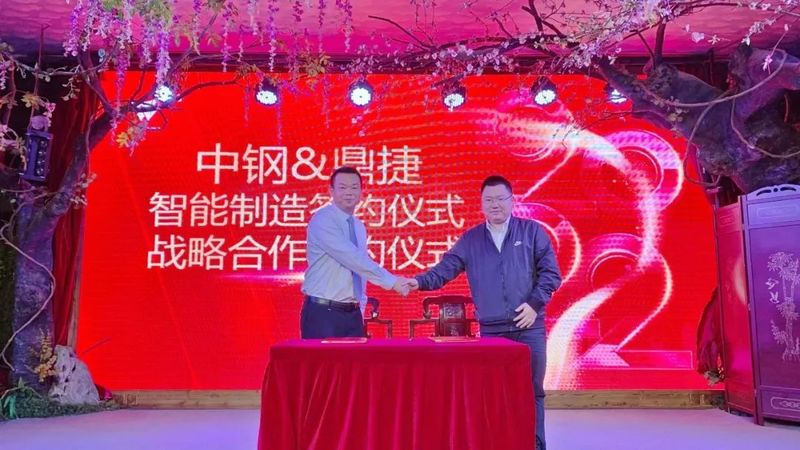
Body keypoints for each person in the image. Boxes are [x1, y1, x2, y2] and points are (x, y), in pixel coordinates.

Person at [406, 175, 562, 450]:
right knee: (493, 397)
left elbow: (551, 274)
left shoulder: (532, 232)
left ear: (512, 201)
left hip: (530, 327)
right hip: (492, 331)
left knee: (532, 393)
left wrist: (534, 304)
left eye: (500, 199)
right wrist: (417, 282)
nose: (495, 204)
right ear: (481, 204)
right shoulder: (471, 240)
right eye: (489, 200)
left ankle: (535, 446)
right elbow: (444, 270)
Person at [300, 166, 413, 339]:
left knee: (354, 358)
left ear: (361, 192)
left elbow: (360, 271)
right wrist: (392, 282)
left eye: (354, 187)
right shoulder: (323, 219)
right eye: (342, 187)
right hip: (323, 313)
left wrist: (360, 307)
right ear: (331, 191)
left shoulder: (358, 226)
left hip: (352, 315)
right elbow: (352, 258)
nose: (349, 193)